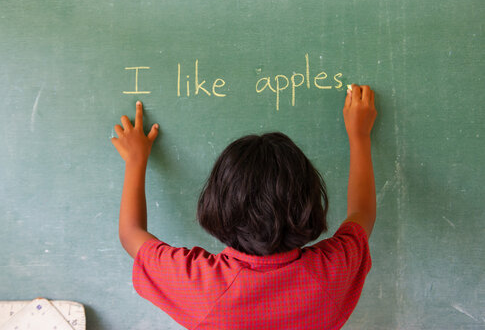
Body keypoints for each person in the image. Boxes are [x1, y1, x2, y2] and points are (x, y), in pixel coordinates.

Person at [111, 84, 377, 329]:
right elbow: (362, 213)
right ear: (309, 204)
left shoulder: (202, 289)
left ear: (216, 206)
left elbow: (131, 233)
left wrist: (136, 160)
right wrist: (359, 135)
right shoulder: (330, 275)